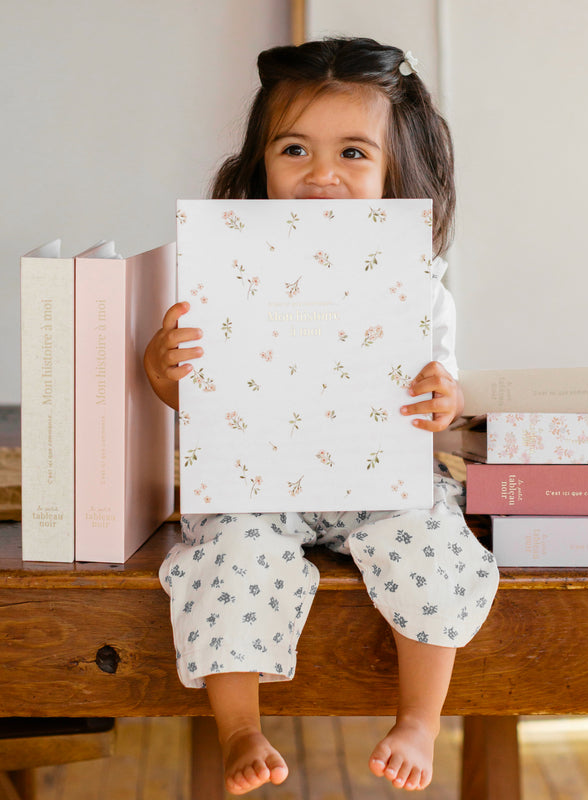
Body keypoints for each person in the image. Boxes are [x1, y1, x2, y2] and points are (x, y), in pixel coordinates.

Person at [144, 37, 499, 795]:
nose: (322, 176)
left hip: (377, 479)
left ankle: (420, 718)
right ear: (260, 165)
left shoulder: (419, 287)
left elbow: (444, 398)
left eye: (353, 154)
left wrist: (447, 401)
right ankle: (239, 725)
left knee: (433, 542)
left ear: (396, 172)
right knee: (227, 554)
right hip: (259, 481)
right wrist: (163, 372)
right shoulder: (220, 271)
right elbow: (195, 394)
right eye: (296, 149)